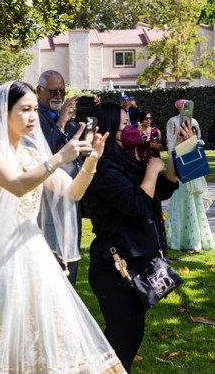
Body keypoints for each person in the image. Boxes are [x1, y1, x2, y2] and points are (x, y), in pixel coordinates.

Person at [0, 81, 124, 373]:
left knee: (47, 331)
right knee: (5, 329)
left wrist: (92, 161)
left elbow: (73, 192)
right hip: (2, 255)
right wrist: (59, 158)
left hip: (34, 249)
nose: (32, 117)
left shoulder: (33, 153)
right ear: (5, 112)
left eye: (34, 110)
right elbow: (16, 185)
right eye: (25, 110)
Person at [83, 102, 188, 372]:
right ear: (108, 128)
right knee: (123, 340)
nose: (130, 128)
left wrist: (177, 152)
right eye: (123, 124)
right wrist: (151, 170)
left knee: (125, 338)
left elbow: (161, 189)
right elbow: (136, 204)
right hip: (115, 268)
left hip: (137, 260)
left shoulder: (125, 159)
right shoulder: (103, 168)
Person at [35, 69, 82, 285]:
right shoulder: (34, 117)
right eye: (53, 91)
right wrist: (61, 124)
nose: (59, 96)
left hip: (71, 196)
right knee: (50, 259)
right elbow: (45, 154)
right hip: (47, 200)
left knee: (70, 257)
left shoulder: (69, 118)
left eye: (62, 91)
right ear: (39, 91)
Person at [165, 100, 214, 251]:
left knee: (195, 199)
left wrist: (194, 144)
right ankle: (178, 238)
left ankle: (197, 237)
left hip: (191, 159)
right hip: (179, 159)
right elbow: (170, 140)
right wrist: (174, 159)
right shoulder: (172, 121)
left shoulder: (194, 121)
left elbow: (198, 138)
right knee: (181, 198)